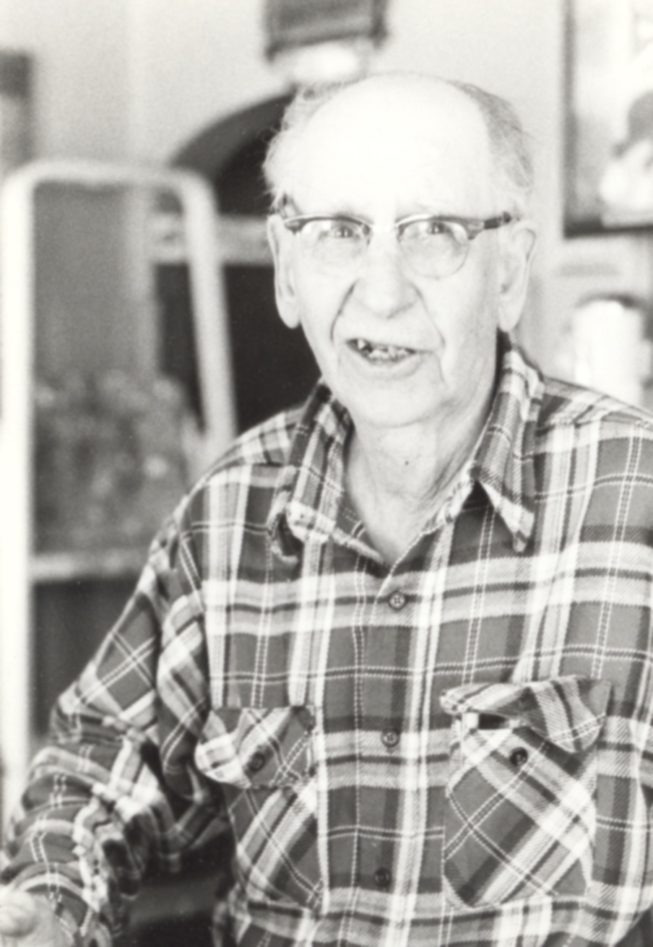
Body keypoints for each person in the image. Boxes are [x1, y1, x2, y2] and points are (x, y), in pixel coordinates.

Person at [1, 70, 653, 947]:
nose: (379, 290)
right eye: (339, 232)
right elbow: (99, 764)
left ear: (507, 273)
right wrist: (52, 905)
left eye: (434, 234)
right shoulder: (228, 514)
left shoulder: (633, 496)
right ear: (284, 269)